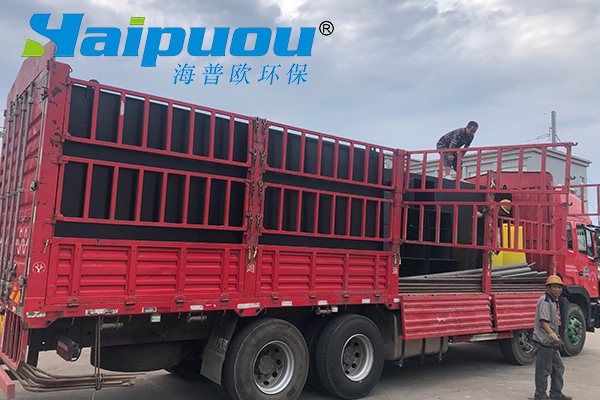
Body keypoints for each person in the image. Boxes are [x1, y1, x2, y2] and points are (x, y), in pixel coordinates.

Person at [532, 275, 572, 400]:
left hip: (551, 342)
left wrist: (556, 338)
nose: (557, 290)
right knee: (543, 370)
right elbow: (543, 321)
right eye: (554, 287)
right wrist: (552, 335)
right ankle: (540, 395)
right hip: (543, 341)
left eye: (559, 287)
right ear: (548, 287)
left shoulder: (554, 301)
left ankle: (556, 392)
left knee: (558, 367)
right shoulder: (545, 301)